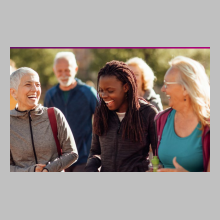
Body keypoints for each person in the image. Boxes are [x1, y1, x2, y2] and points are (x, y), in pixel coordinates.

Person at [85, 60, 158, 172]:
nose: (104, 96)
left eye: (110, 91)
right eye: (101, 90)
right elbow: (96, 152)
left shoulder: (148, 113)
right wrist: (91, 167)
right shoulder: (101, 114)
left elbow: (158, 152)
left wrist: (154, 170)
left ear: (126, 87)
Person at [10, 67, 78, 172]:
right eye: (28, 84)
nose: (35, 89)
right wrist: (31, 171)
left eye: (37, 85)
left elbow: (72, 153)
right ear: (14, 92)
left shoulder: (54, 114)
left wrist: (48, 169)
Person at [154, 56, 210, 172]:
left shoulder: (209, 125)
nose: (163, 89)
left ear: (185, 88)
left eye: (167, 84)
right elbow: (157, 162)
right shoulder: (161, 119)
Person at [44, 52, 97, 172]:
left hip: (84, 157)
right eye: (59, 71)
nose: (63, 74)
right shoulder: (50, 95)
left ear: (75, 69)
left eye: (67, 70)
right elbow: (44, 125)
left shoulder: (88, 92)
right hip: (59, 159)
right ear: (54, 70)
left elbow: (103, 120)